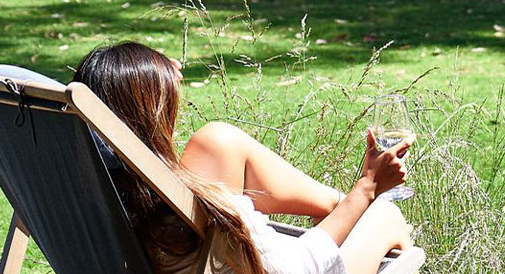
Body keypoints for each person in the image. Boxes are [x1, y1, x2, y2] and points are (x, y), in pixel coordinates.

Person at [75, 42, 415, 274]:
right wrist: (368, 187)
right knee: (387, 215)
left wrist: (148, 73)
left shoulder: (85, 189)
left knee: (217, 140)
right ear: (150, 118)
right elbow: (298, 266)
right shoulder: (179, 212)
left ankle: (338, 209)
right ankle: (354, 211)